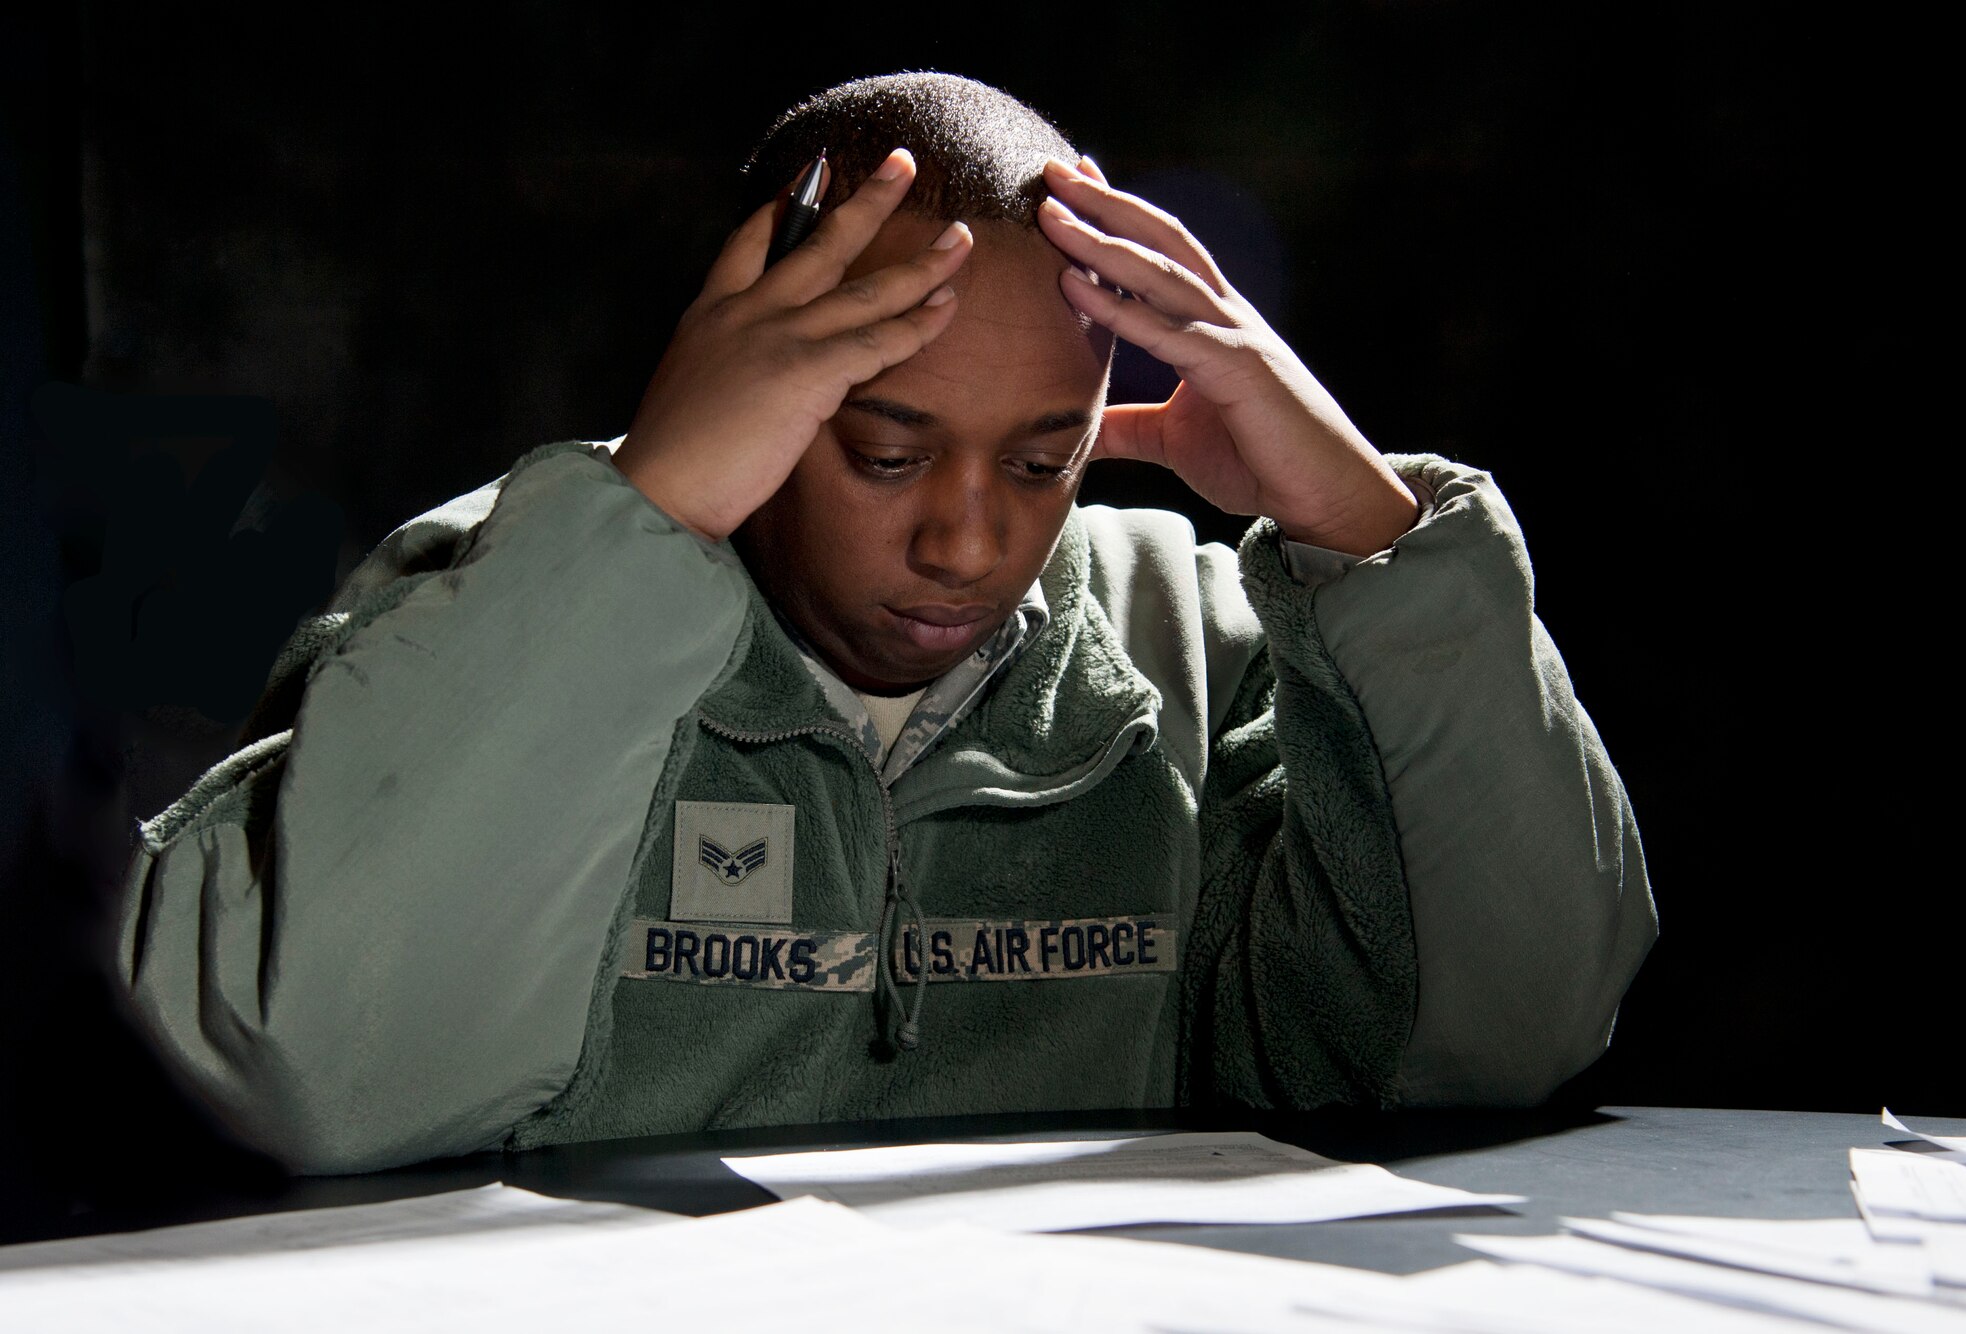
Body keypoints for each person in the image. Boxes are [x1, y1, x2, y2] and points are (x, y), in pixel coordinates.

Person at [114, 73, 1656, 1175]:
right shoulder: (499, 594)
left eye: (1043, 462)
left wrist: (1371, 539)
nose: (968, 541)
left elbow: (1508, 1035)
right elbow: (311, 1064)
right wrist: (641, 524)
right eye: (886, 453)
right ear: (750, 381)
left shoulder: (1193, 646)